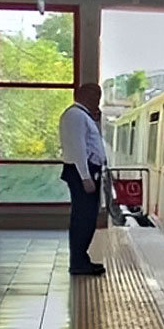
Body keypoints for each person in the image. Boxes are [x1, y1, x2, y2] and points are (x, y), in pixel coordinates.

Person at [60, 83, 108, 276]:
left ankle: (81, 258)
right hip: (82, 172)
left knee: (87, 217)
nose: (98, 99)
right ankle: (78, 262)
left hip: (85, 171)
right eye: (95, 95)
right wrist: (85, 177)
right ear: (84, 95)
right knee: (83, 218)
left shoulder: (82, 116)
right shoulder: (75, 116)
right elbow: (77, 148)